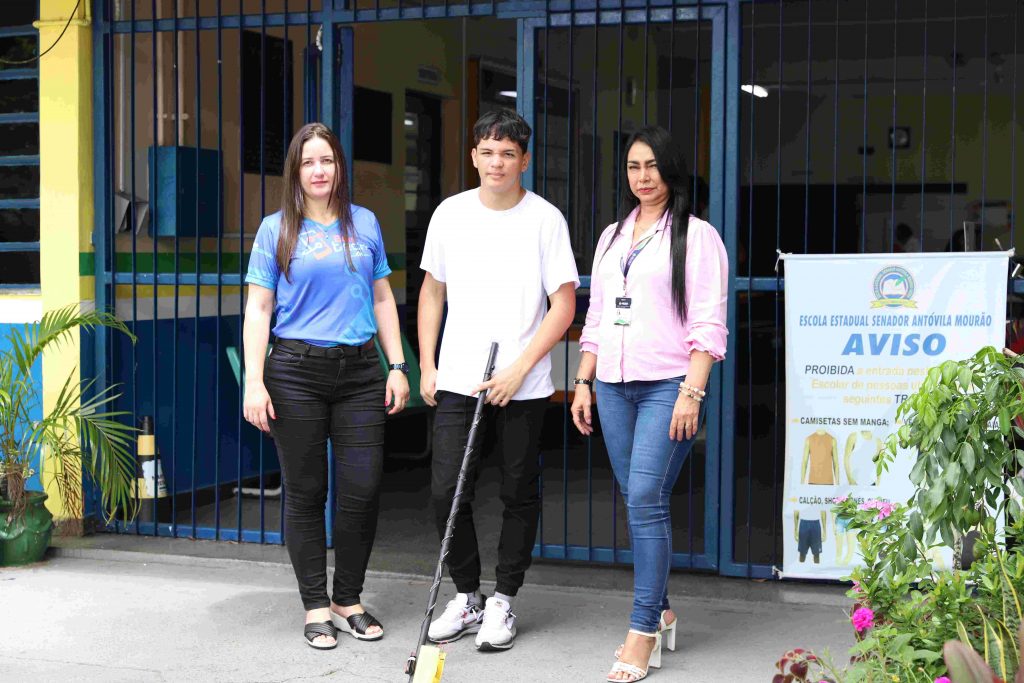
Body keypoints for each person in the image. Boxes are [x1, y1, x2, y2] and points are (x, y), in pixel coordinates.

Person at [242, 122, 410, 650]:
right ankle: (315, 603)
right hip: (294, 371)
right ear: (296, 169)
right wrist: (254, 381)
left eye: (328, 161)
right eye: (309, 161)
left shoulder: (364, 223)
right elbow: (258, 309)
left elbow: (382, 298)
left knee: (361, 488)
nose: (319, 170)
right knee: (307, 491)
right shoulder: (276, 229)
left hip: (361, 372)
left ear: (340, 168)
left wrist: (397, 365)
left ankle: (348, 599)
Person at [417, 108, 579, 651]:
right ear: (473, 157)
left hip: (523, 382)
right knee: (446, 489)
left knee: (517, 491)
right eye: (487, 151)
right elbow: (432, 291)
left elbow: (563, 305)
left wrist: (519, 368)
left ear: (524, 160)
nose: (496, 162)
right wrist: (427, 363)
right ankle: (467, 595)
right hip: (461, 375)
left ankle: (504, 600)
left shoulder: (545, 219)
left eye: (507, 152)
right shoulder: (450, 214)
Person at [571, 125, 728, 682]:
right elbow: (595, 314)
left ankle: (641, 630)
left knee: (643, 495)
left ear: (672, 170)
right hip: (612, 385)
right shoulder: (613, 235)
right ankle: (661, 608)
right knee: (641, 498)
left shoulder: (698, 235)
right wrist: (583, 381)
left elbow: (708, 324)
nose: (643, 177)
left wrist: (692, 391)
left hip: (668, 384)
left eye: (653, 166)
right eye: (635, 167)